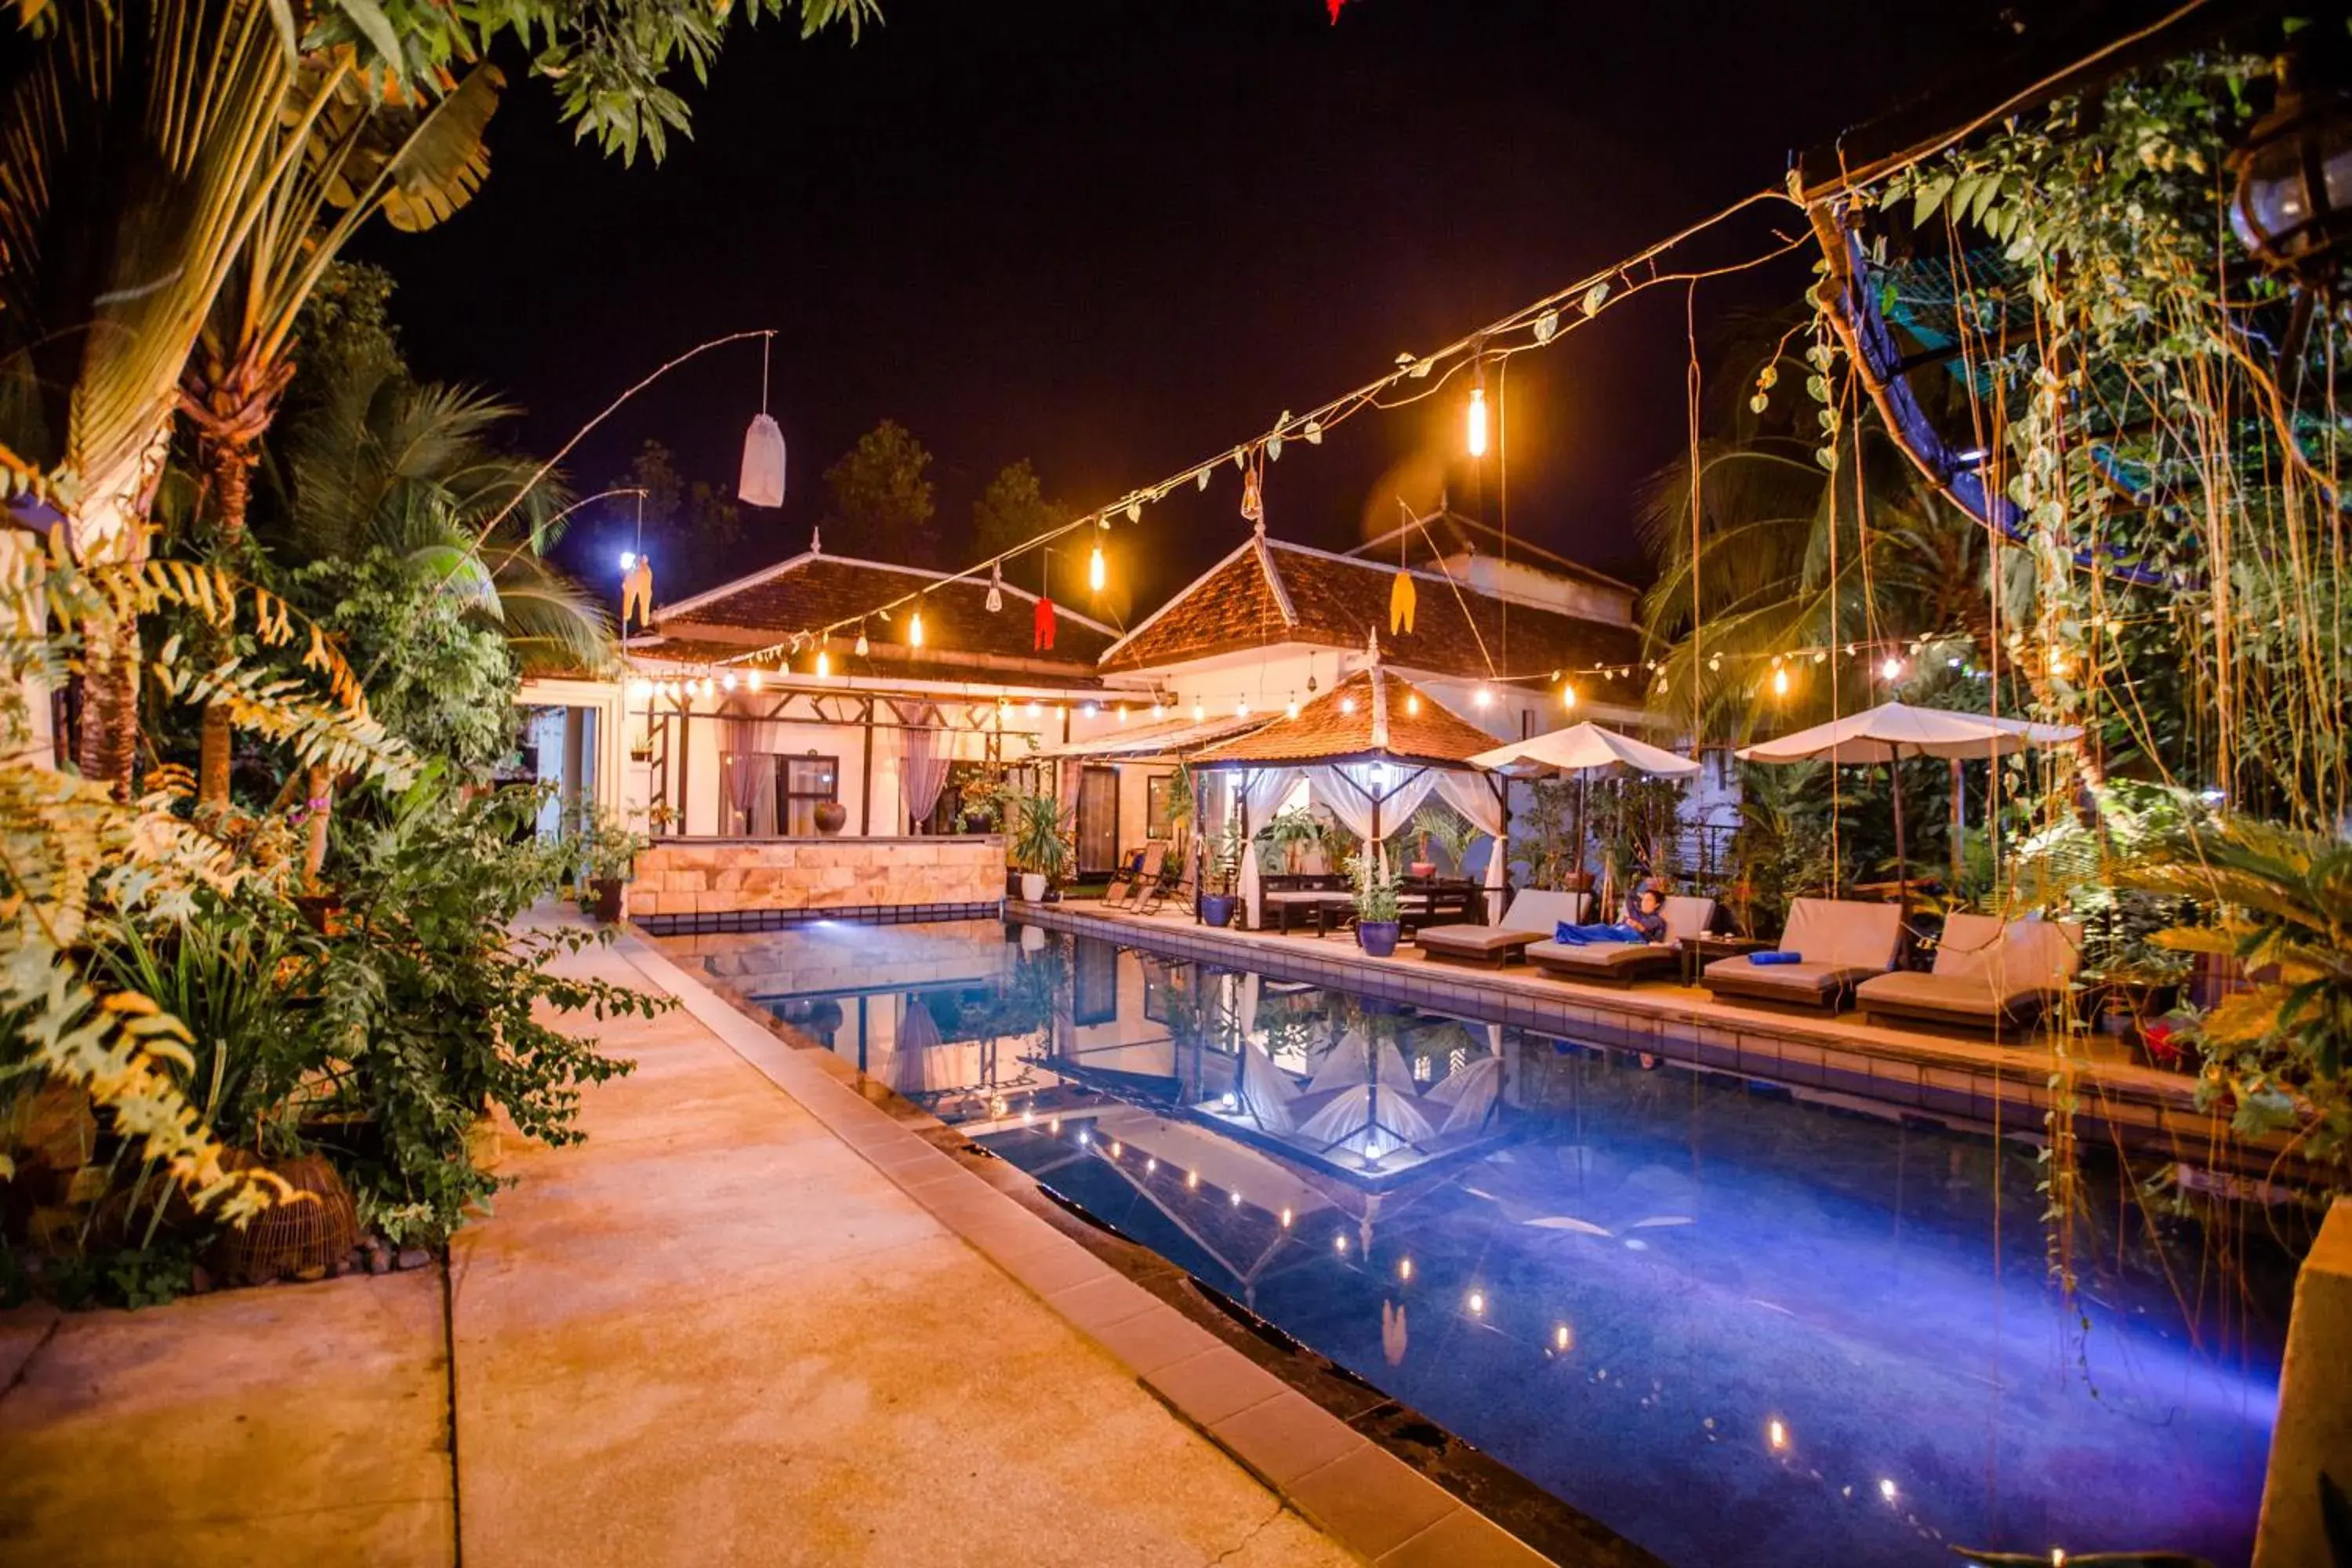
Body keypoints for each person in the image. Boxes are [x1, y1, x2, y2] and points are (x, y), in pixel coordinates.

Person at [1554, 885, 1669, 946]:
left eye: (1648, 900)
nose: (1644, 902)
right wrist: (1640, 897)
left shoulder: (1658, 921)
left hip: (1634, 937)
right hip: (1620, 930)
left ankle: (1566, 931)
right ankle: (1567, 933)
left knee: (1601, 928)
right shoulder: (1636, 913)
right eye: (1643, 899)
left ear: (1656, 905)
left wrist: (1640, 928)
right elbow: (1629, 895)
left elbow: (1656, 942)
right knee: (1601, 930)